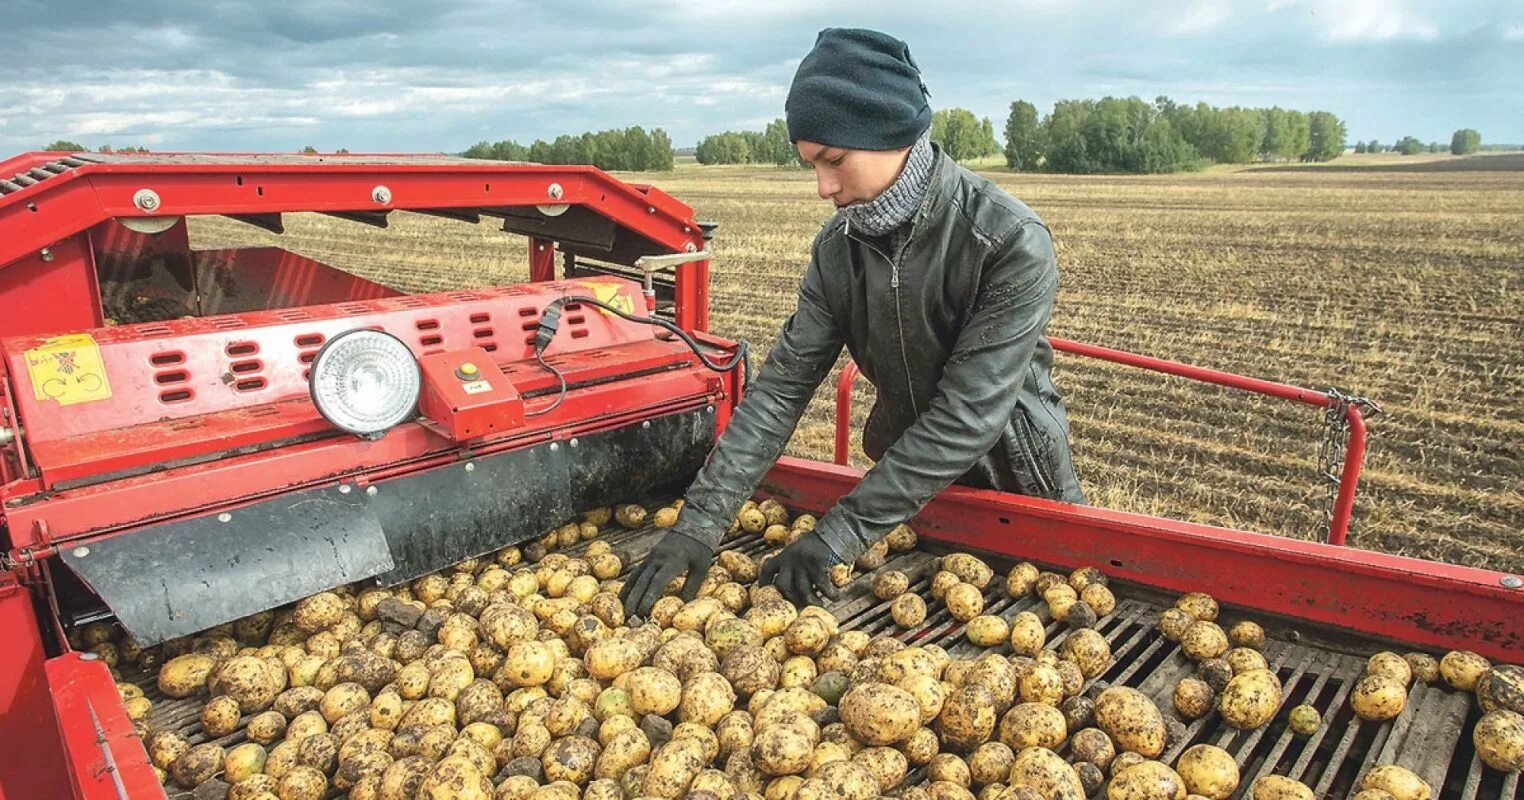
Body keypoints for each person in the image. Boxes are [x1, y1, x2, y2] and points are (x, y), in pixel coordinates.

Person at [620, 27, 1084, 615]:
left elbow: (968, 417)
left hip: (1020, 485)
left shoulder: (1007, 240)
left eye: (834, 161)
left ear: (891, 132)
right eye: (811, 165)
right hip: (906, 502)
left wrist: (834, 537)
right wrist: (699, 524)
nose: (823, 187)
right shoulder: (840, 248)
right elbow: (782, 388)